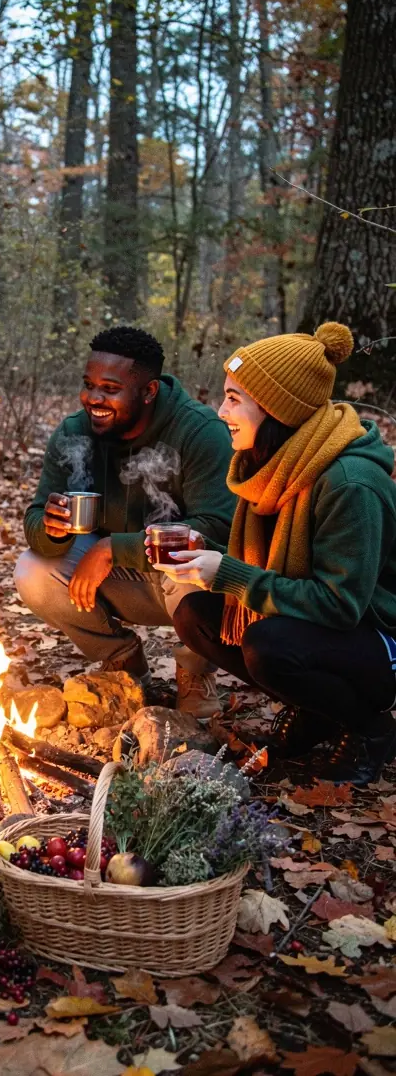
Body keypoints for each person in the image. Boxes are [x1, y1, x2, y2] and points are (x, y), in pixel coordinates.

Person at [154, 322, 396, 786]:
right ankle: (319, 710)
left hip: (381, 638)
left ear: (278, 408)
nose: (221, 410)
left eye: (234, 398)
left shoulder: (350, 483)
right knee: (196, 616)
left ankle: (372, 728)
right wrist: (208, 552)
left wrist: (229, 574)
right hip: (335, 632)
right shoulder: (270, 464)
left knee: (269, 647)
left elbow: (339, 604)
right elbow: (277, 565)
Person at [14, 325, 235, 716]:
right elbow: (34, 518)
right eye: (88, 385)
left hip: (181, 586)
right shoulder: (73, 433)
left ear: (148, 391)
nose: (93, 399)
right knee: (33, 569)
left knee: (196, 562)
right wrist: (50, 528)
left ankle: (195, 671)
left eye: (110, 390)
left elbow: (218, 527)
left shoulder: (200, 431)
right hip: (115, 580)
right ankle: (123, 660)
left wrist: (114, 549)